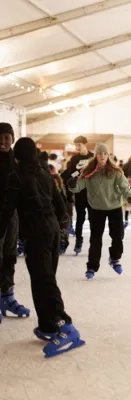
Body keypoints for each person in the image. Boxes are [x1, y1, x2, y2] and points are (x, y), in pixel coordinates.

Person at [0, 137, 85, 357]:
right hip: (52, 229)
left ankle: (65, 325)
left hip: (37, 231)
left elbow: (7, 212)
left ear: (17, 156)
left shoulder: (16, 176)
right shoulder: (45, 174)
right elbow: (61, 204)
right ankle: (48, 325)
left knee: (44, 280)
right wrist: (61, 231)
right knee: (43, 278)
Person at [67, 143, 131, 280]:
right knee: (95, 239)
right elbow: (79, 186)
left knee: (118, 236)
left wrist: (130, 197)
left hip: (114, 207)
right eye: (100, 153)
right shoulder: (88, 172)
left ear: (108, 155)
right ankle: (92, 267)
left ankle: (114, 258)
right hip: (96, 208)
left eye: (105, 153)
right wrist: (73, 185)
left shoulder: (115, 171)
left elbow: (124, 186)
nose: (102, 156)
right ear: (96, 155)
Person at [0, 122, 30, 321]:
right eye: (0, 138)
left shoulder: (17, 160)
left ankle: (7, 295)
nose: (3, 142)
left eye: (7, 138)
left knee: (10, 255)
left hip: (12, 216)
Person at [61, 135, 94, 254]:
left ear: (85, 144)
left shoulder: (93, 157)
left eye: (79, 145)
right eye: (76, 145)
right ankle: (78, 242)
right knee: (80, 218)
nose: (77, 147)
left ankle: (93, 243)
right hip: (80, 192)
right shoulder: (75, 159)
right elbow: (70, 174)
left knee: (93, 219)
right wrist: (78, 173)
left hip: (92, 193)